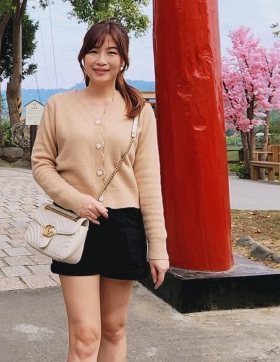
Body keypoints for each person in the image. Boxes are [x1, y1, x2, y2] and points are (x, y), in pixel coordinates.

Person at [31, 21, 168, 362]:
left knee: (114, 328)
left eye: (111, 52)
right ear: (83, 57)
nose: (101, 59)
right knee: (85, 335)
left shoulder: (139, 112)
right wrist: (75, 199)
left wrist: (159, 248)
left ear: (123, 60)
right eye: (94, 51)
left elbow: (149, 181)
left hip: (125, 227)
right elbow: (41, 164)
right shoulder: (58, 106)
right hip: (76, 227)